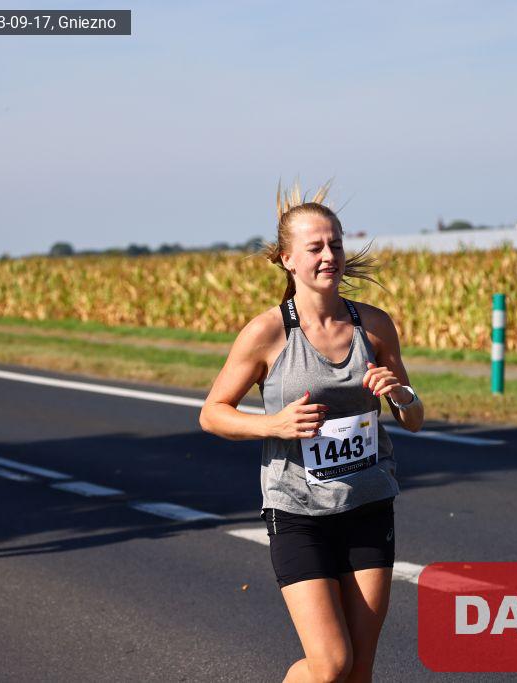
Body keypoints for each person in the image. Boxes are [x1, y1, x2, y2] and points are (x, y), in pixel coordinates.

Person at [200, 182, 424, 682]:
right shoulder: (268, 333)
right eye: (315, 247)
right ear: (287, 259)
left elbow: (413, 418)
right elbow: (212, 413)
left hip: (367, 504)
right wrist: (273, 424)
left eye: (335, 245)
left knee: (359, 671)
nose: (329, 256)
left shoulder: (374, 326)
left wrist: (401, 395)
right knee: (330, 665)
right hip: (298, 512)